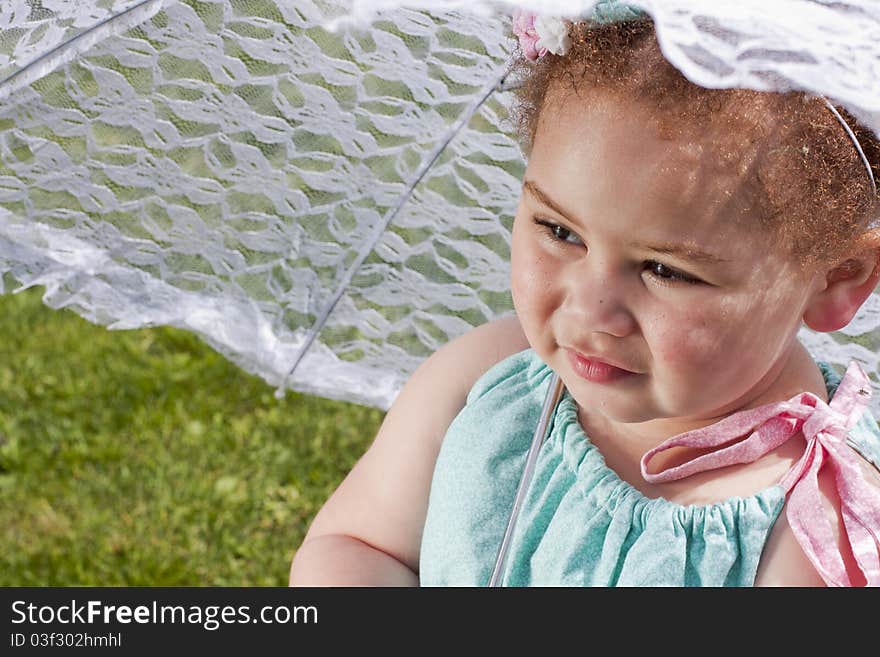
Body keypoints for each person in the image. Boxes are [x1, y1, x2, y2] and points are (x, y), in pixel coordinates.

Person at [288, 6, 880, 586]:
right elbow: (357, 544)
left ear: (837, 279)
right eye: (560, 231)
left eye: (665, 270)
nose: (589, 310)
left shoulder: (823, 530)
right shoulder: (488, 378)